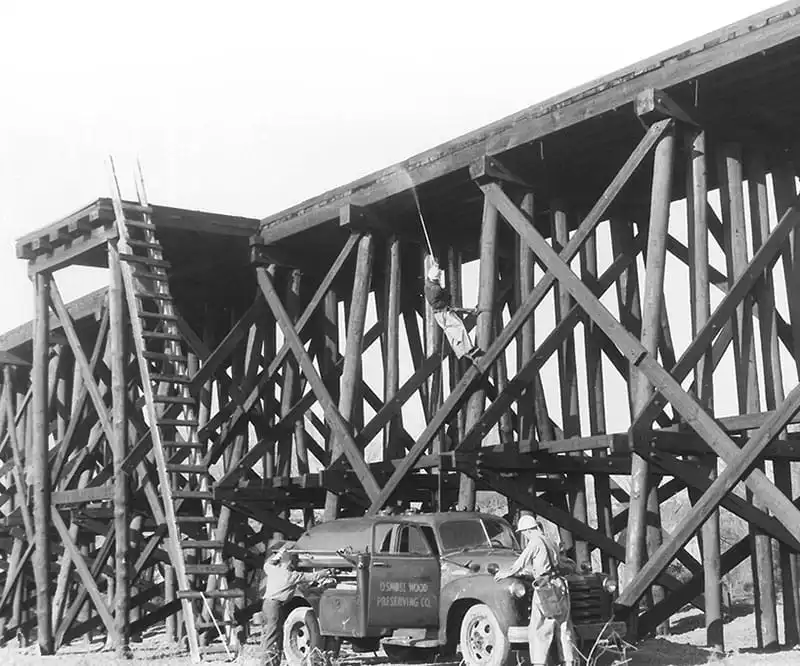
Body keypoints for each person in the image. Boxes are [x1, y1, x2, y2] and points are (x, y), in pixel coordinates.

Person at [494, 515, 577, 666]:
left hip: (545, 588)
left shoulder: (535, 543)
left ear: (527, 530)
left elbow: (520, 563)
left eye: (524, 532)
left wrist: (505, 573)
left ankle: (539, 662)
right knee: (564, 625)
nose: (524, 535)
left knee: (539, 628)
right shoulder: (550, 541)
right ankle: (569, 660)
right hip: (560, 585)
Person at [261, 542, 333, 666]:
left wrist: (281, 552)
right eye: (295, 562)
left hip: (267, 605)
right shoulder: (291, 576)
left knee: (270, 634)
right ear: (290, 563)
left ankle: (271, 662)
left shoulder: (271, 569)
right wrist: (327, 572)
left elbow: (269, 563)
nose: (296, 565)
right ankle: (268, 663)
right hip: (275, 606)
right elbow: (312, 576)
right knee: (273, 635)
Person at [423, 257, 481, 363]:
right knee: (459, 327)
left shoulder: (427, 285)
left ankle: (461, 352)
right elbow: (446, 295)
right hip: (444, 313)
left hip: (439, 315)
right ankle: (470, 349)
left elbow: (431, 278)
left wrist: (435, 266)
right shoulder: (436, 290)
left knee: (451, 333)